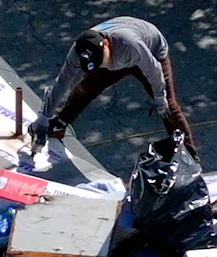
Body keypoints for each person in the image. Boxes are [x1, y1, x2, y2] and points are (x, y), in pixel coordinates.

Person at [31, 18, 196, 159]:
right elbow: (62, 83)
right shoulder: (80, 50)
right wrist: (43, 118)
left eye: (101, 61)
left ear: (105, 45)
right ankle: (60, 123)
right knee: (84, 89)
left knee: (169, 107)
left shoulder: (130, 44)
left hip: (150, 54)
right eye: (95, 65)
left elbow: (154, 71)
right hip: (119, 58)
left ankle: (188, 156)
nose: (101, 65)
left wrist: (160, 98)